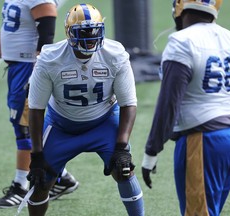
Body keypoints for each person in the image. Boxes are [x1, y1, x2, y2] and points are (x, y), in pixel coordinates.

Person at [26, 3, 144, 216]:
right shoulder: (50, 58)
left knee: (124, 169)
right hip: (61, 124)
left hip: (103, 121)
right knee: (40, 180)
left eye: (94, 32)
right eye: (83, 33)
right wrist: (36, 155)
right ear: (69, 33)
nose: (90, 38)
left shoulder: (114, 54)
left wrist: (121, 146)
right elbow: (35, 108)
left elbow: (128, 103)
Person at [141, 0, 230, 215]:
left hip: (202, 139)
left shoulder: (182, 41)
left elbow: (169, 102)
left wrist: (152, 150)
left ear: (181, 6)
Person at [0, 0, 79, 209]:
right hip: (17, 66)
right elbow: (7, 23)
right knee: (22, 123)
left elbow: (47, 29)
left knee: (25, 127)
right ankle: (61, 178)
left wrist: (37, 68)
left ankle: (21, 186)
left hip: (28, 66)